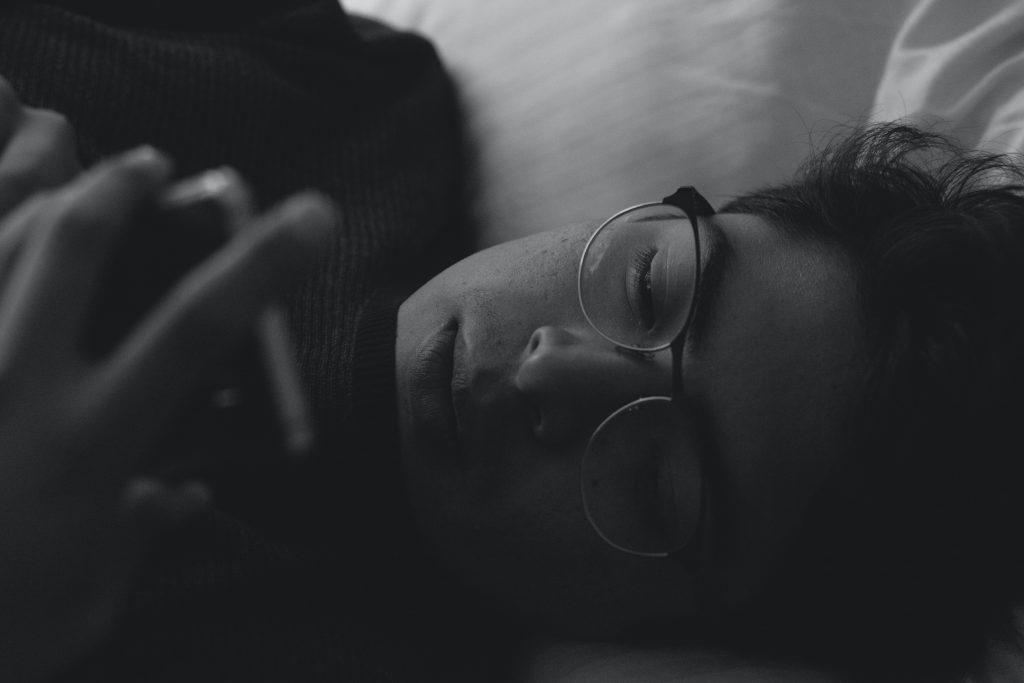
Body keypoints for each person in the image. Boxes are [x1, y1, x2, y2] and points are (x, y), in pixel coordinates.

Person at [0, 4, 1022, 683]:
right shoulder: (360, 93)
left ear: (659, 634)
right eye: (647, 284)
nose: (548, 370)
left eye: (654, 477)